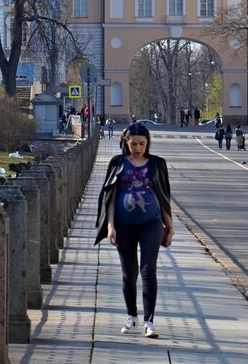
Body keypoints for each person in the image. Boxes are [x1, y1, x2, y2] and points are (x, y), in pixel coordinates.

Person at [95, 123, 173, 339]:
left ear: (147, 143)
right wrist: (110, 226)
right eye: (133, 144)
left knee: (149, 271)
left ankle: (150, 321)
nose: (137, 148)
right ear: (125, 143)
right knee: (129, 274)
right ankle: (132, 315)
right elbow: (109, 198)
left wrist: (170, 226)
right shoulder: (118, 163)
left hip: (152, 223)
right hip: (124, 225)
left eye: (142, 144)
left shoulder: (157, 164)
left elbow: (164, 197)